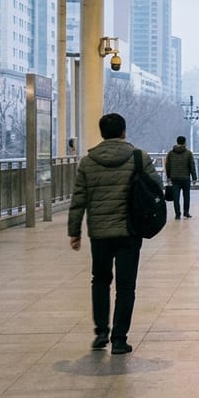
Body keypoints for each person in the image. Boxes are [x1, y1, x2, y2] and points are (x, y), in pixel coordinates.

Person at [68, 113, 158, 355]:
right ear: (123, 132)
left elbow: (78, 200)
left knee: (100, 280)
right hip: (129, 231)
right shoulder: (139, 157)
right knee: (126, 286)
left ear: (101, 133)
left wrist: (74, 231)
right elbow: (155, 187)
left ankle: (100, 333)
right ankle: (119, 339)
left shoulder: (88, 162)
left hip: (99, 233)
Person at [165, 135, 198, 219]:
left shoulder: (170, 153)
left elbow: (167, 166)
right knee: (186, 196)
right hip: (185, 178)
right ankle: (186, 212)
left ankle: (177, 214)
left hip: (174, 178)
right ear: (184, 143)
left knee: (176, 197)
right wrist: (194, 178)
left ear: (177, 142)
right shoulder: (188, 153)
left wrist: (168, 176)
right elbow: (192, 166)